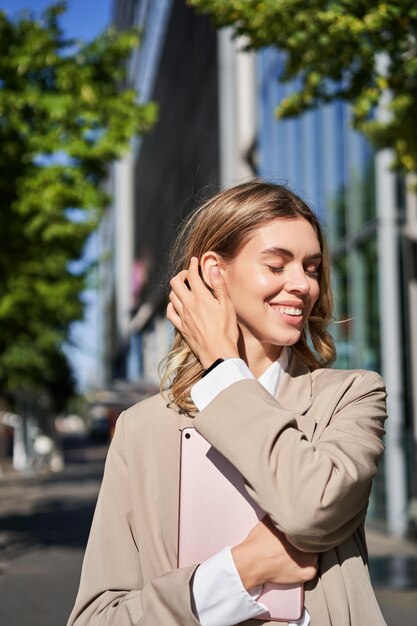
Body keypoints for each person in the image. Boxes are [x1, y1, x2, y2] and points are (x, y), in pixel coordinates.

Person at [68, 181, 387, 626]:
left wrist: (223, 370)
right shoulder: (142, 428)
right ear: (215, 273)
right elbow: (96, 618)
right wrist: (236, 573)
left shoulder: (349, 396)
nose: (301, 284)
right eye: (277, 265)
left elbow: (312, 509)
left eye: (311, 268)